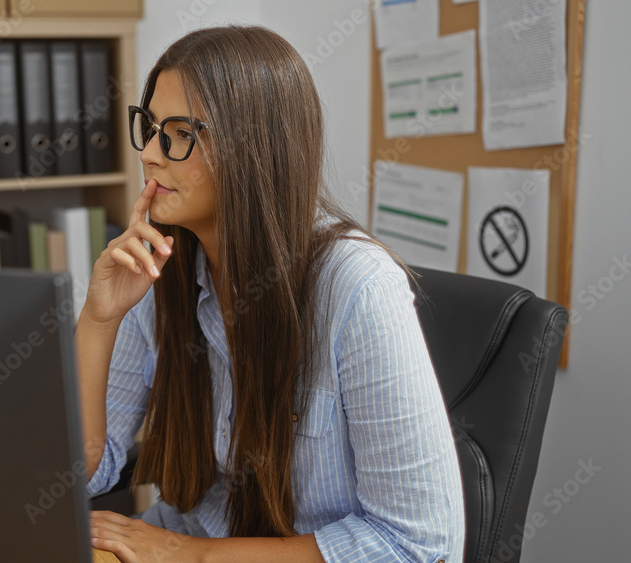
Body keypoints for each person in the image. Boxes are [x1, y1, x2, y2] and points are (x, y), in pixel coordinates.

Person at [76, 25, 465, 562]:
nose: (151, 154)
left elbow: (419, 543)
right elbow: (83, 476)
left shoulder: (358, 287)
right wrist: (99, 320)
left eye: (179, 132)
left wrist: (190, 555)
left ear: (253, 146)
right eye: (149, 127)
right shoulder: (157, 272)